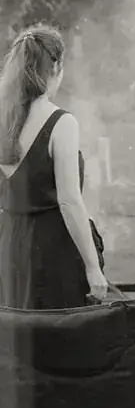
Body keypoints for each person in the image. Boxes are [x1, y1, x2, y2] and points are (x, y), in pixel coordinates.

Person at [0, 25, 110, 308]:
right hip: (52, 252)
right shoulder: (61, 122)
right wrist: (92, 267)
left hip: (9, 247)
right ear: (57, 67)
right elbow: (70, 202)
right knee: (59, 341)